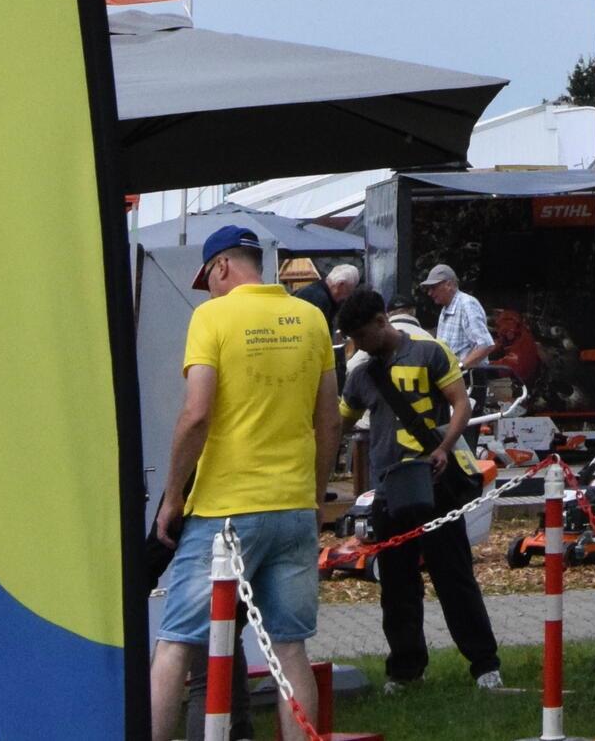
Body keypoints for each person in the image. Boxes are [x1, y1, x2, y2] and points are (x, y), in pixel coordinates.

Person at [150, 223, 340, 741]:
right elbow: (330, 421)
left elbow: (196, 414)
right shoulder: (311, 318)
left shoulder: (211, 317)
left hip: (224, 512)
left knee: (175, 642)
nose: (206, 290)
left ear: (221, 267)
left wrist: (172, 496)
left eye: (206, 279)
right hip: (295, 507)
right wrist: (314, 495)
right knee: (290, 648)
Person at [336, 287, 505, 694]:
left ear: (382, 321)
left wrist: (445, 449)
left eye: (362, 336)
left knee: (455, 577)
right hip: (389, 491)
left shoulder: (431, 353)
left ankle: (485, 665)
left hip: (436, 487)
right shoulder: (362, 373)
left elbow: (461, 404)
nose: (359, 346)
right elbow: (340, 422)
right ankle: (405, 671)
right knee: (396, 585)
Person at [422, 260, 493, 372]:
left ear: (449, 285)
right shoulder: (445, 308)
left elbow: (486, 344)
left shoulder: (467, 304)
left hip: (470, 381)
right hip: (452, 379)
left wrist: (459, 368)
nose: (429, 293)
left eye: (433, 287)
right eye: (429, 289)